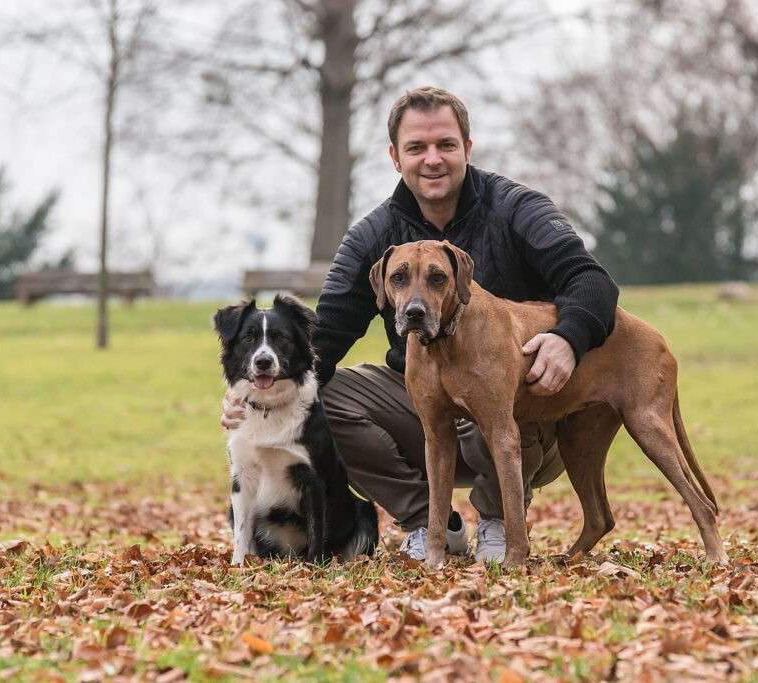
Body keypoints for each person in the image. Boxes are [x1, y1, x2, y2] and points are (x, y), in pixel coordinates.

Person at [222, 86, 619, 562]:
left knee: (507, 384)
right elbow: (320, 341)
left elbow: (591, 280)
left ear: (467, 149)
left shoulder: (517, 209)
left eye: (446, 145)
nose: (433, 159)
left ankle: (498, 520)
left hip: (521, 415)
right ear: (395, 157)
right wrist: (254, 392)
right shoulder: (373, 237)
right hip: (422, 399)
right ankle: (428, 522)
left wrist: (566, 339)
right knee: (316, 395)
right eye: (416, 147)